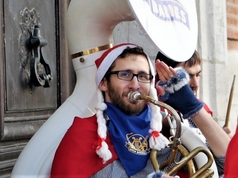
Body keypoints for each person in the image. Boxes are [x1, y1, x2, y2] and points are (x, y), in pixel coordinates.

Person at [51, 43, 230, 177]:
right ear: (104, 83)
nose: (135, 85)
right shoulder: (82, 134)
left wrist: (193, 108)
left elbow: (228, 165)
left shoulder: (163, 130)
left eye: (143, 76)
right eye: (125, 75)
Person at [155, 50, 232, 136]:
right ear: (164, 74)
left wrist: (219, 137)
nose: (196, 84)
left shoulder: (204, 109)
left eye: (197, 75)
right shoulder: (151, 110)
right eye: (187, 76)